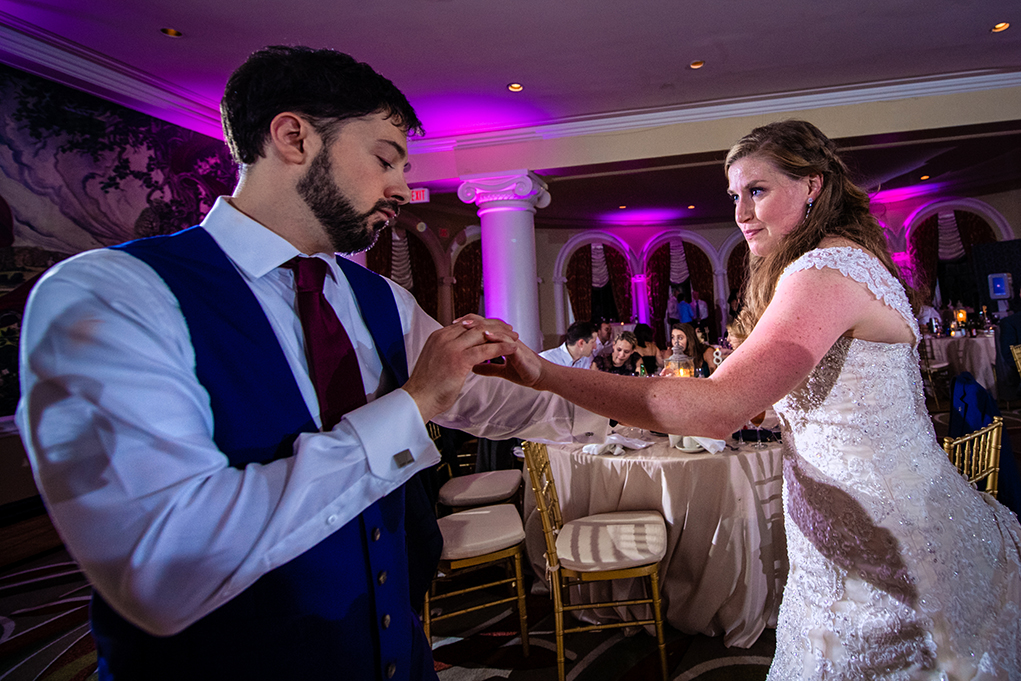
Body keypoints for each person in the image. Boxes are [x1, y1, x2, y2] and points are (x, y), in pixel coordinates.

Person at [16, 46, 606, 681]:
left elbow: (497, 402)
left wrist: (654, 409)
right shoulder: (111, 295)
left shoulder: (382, 301)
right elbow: (165, 569)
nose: (405, 188)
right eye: (385, 158)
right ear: (293, 137)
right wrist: (410, 406)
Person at [480, 119, 1021, 679]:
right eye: (735, 195)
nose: (740, 212)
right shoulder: (846, 258)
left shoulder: (823, 272)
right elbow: (803, 402)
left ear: (812, 184)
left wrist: (546, 373)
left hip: (887, 543)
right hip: (857, 528)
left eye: (756, 190)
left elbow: (720, 410)